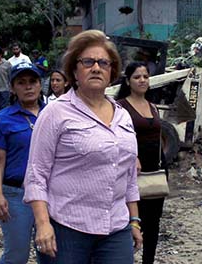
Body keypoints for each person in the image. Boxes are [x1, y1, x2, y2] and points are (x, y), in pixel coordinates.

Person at [23, 29, 142, 263]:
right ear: (74, 71)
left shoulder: (123, 116)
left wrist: (134, 221)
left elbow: (128, 176)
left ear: (112, 72)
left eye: (103, 63)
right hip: (68, 230)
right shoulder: (56, 113)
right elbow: (36, 174)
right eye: (88, 62)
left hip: (115, 230)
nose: (96, 68)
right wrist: (43, 224)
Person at [0, 62, 45, 263]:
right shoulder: (3, 118)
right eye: (21, 83)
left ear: (40, 85)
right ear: (13, 88)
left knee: (50, 252)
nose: (28, 87)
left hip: (51, 195)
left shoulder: (53, 114)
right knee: (16, 254)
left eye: (32, 81)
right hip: (16, 194)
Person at [116, 61, 167, 264]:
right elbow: (116, 136)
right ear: (128, 81)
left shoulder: (153, 107)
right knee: (131, 220)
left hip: (155, 172)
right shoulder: (119, 106)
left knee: (153, 223)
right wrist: (132, 156)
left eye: (146, 76)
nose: (142, 80)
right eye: (137, 77)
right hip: (131, 171)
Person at [0, 45, 12, 113]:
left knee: (4, 109)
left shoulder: (7, 64)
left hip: (4, 90)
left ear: (0, 55)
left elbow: (10, 77)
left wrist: (11, 89)